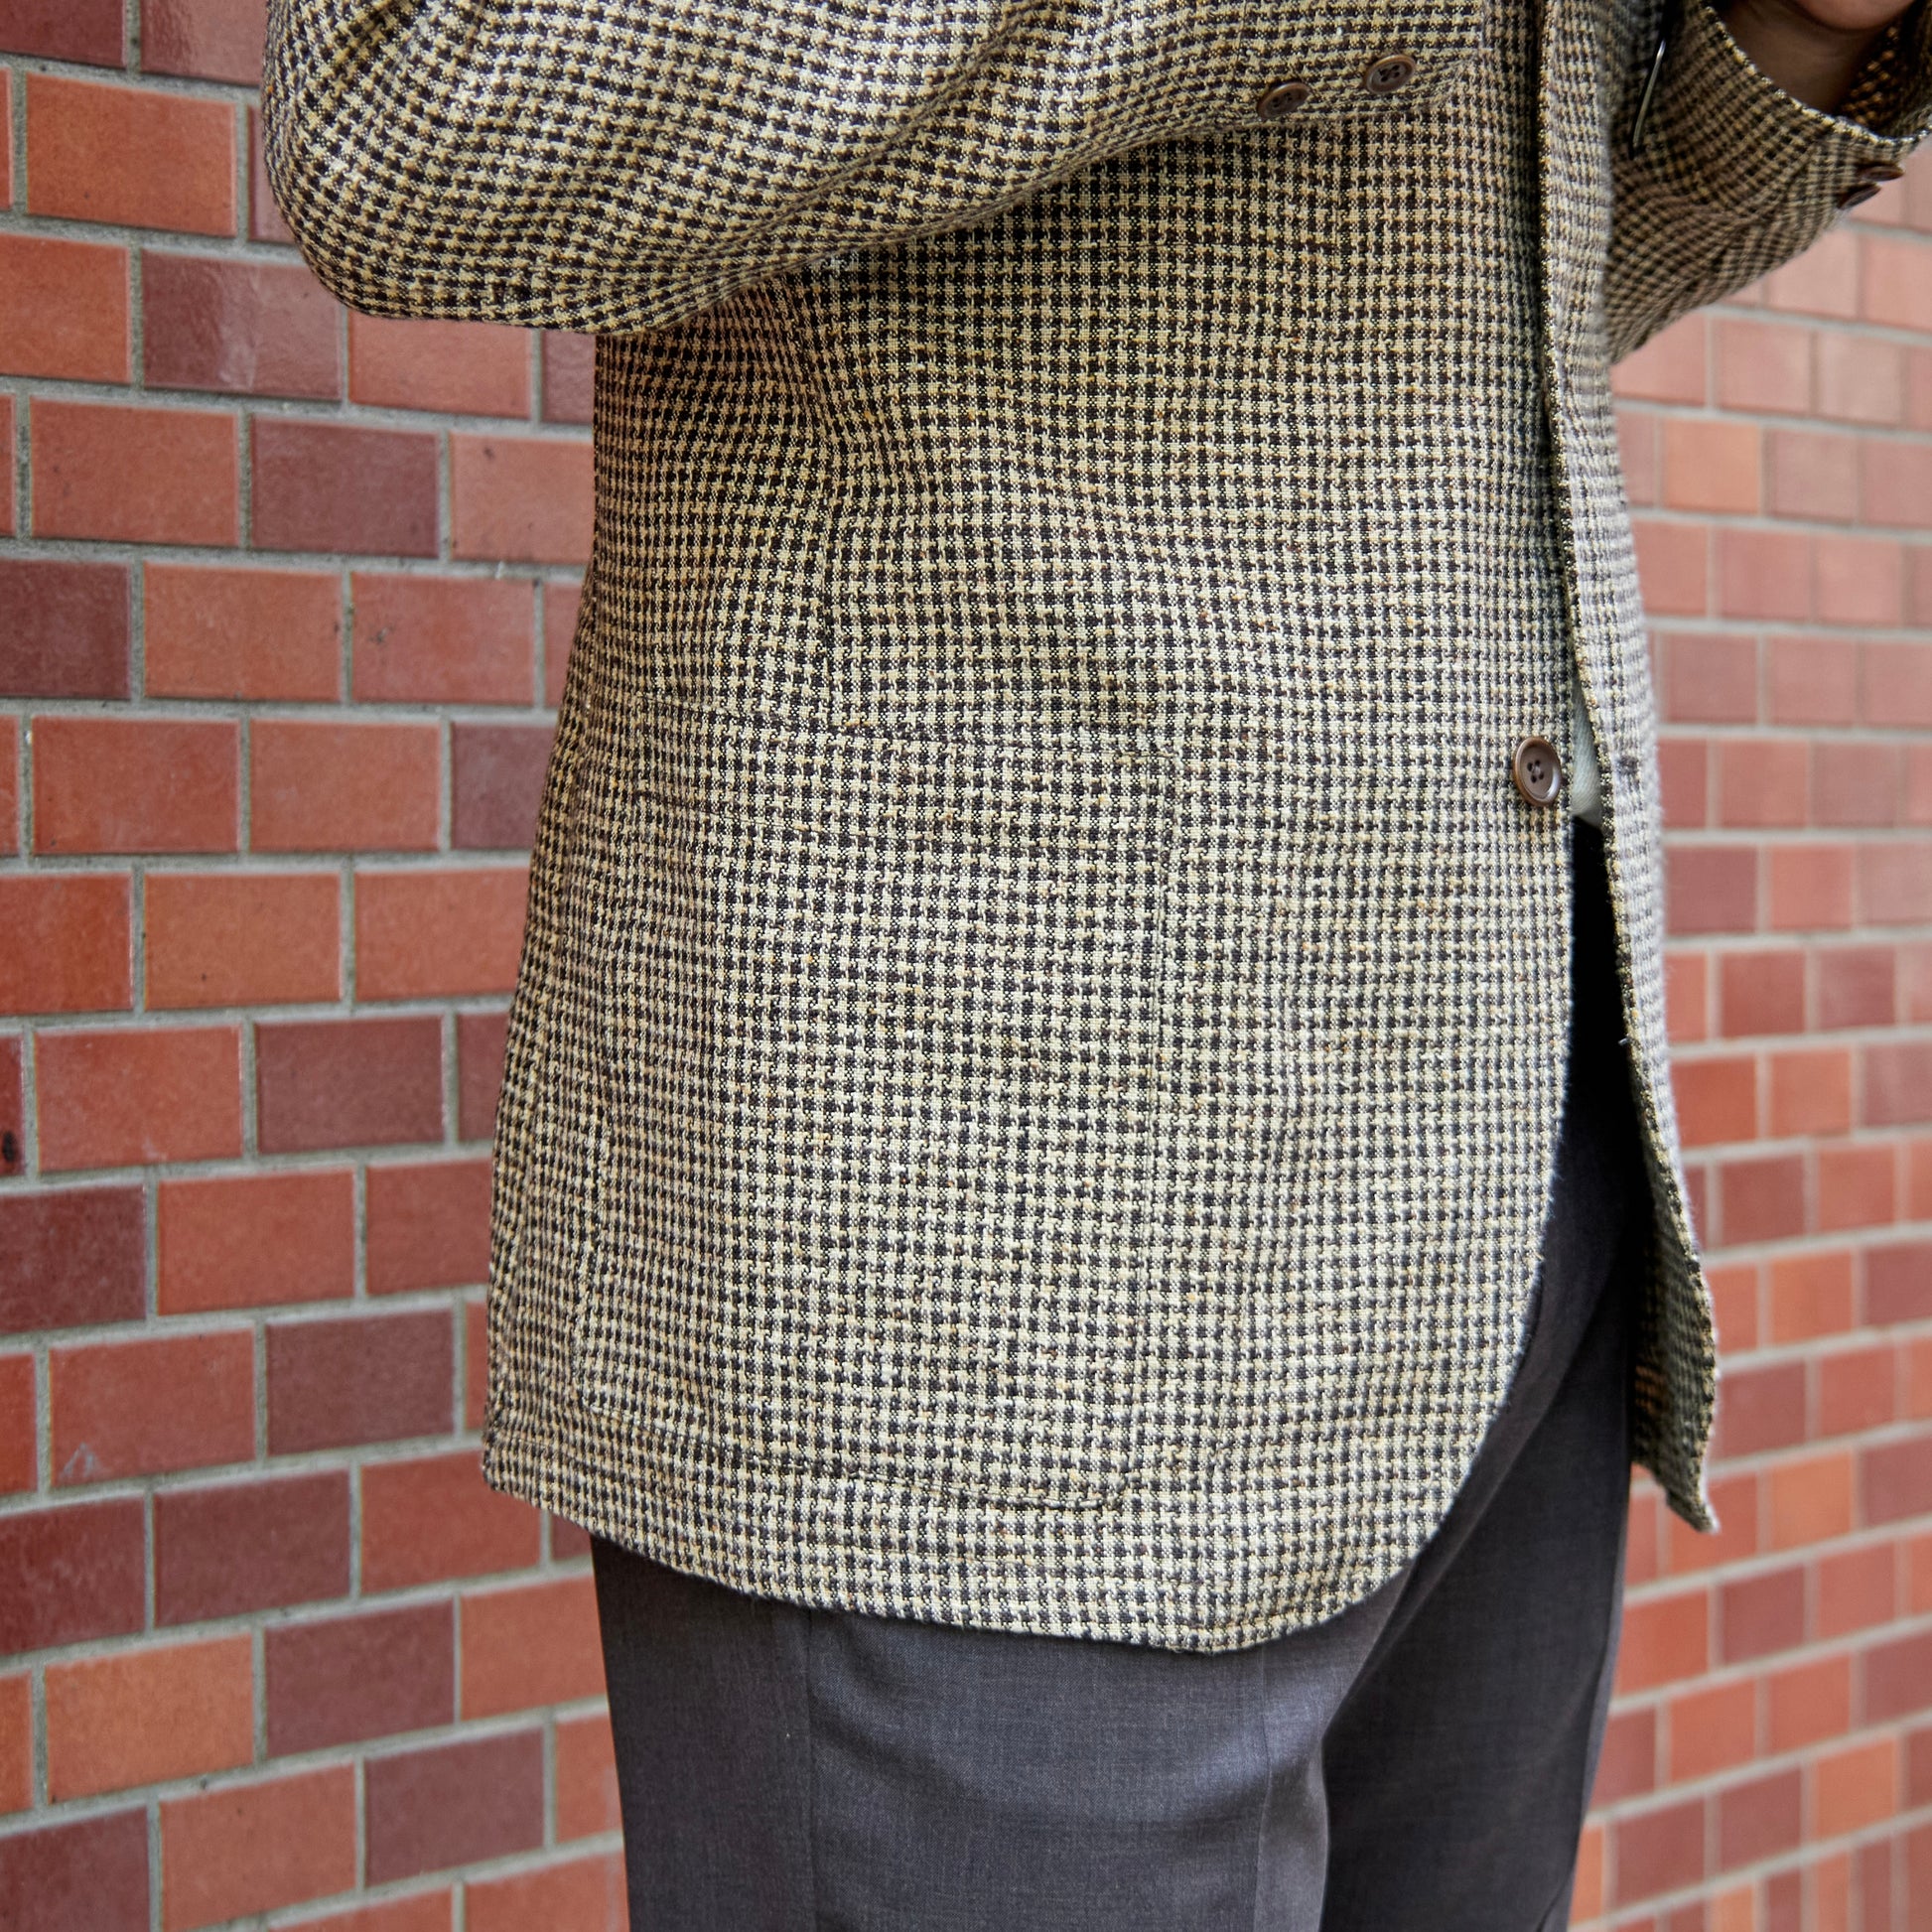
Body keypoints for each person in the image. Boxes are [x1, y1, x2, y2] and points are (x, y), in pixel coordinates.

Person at [264, 0, 1929, 1921]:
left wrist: (1785, 40)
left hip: (1488, 1198)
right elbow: (414, 113)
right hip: (1003, 1271)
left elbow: (1504, 260)